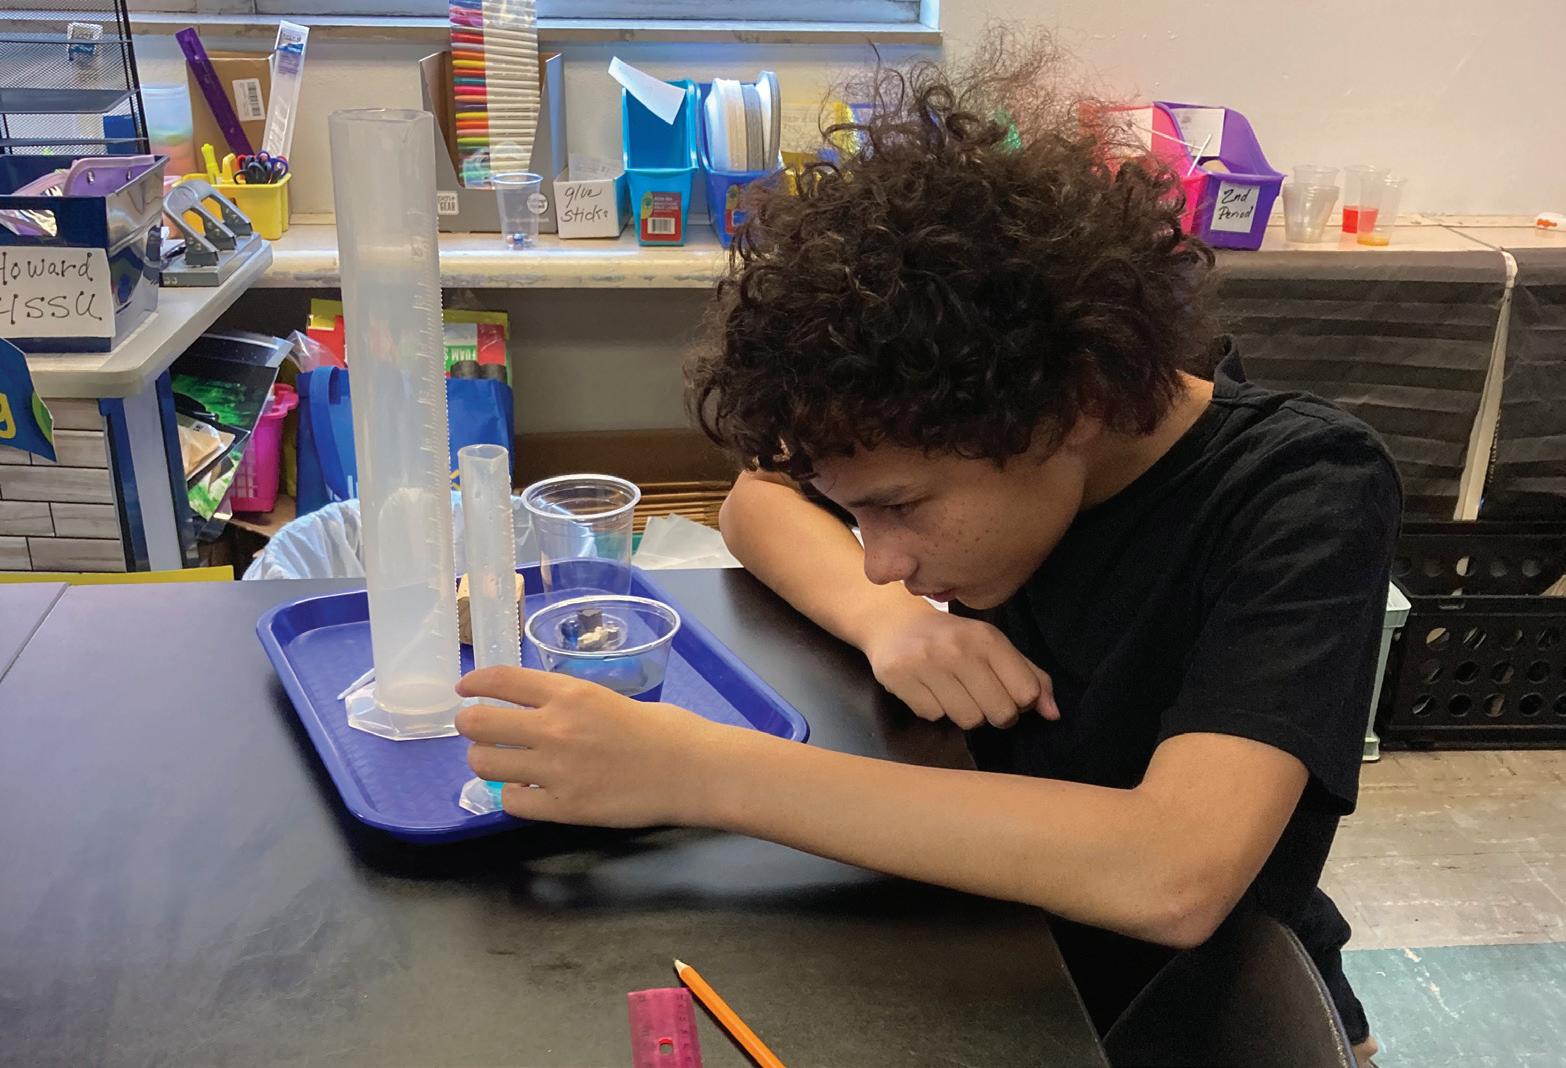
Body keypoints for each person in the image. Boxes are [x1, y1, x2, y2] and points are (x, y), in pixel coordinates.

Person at [457, 36, 1397, 1065]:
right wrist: (890, 623)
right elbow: (756, 503)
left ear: (1074, 407)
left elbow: (1172, 873)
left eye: (901, 508)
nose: (879, 556)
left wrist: (694, 768)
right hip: (999, 942)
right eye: (857, 516)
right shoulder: (975, 440)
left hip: (1186, 1015)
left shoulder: (1304, 492)